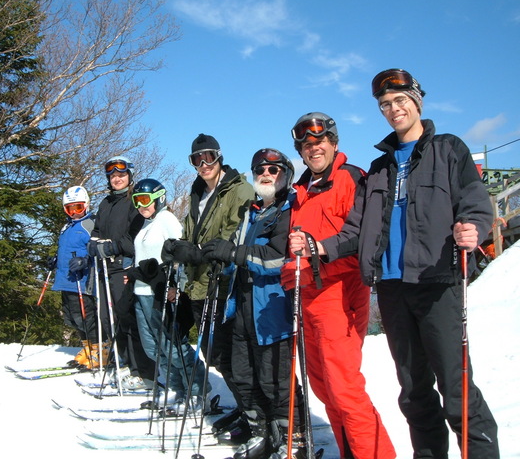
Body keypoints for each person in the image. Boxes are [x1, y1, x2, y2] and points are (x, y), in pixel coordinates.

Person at [289, 69, 500, 458]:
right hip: (391, 287)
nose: (393, 109)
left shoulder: (448, 148)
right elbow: (356, 231)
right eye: (385, 104)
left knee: (456, 389)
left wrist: (474, 227)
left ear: (417, 102)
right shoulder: (381, 168)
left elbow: (474, 199)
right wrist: (320, 247)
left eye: (400, 101)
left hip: (436, 282)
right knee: (415, 391)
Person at [281, 113, 395, 459]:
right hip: (309, 298)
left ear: (334, 143)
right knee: (324, 388)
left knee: (344, 388)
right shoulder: (302, 190)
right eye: (307, 145)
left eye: (320, 143)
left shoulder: (350, 179)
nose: (314, 149)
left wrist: (316, 255)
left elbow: (362, 238)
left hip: (340, 295)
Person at [202, 149, 306, 459]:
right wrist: (212, 257)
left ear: (286, 174)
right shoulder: (252, 213)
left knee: (276, 380)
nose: (267, 174)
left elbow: (279, 258)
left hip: (272, 308)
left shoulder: (289, 210)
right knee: (244, 375)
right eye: (261, 169)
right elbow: (234, 251)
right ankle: (261, 432)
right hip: (242, 304)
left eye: (274, 170)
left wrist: (235, 255)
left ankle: (293, 440)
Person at [163, 133, 255, 415]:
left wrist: (198, 252)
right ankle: (246, 411)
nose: (204, 164)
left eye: (209, 157)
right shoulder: (198, 193)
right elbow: (190, 234)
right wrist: (177, 248)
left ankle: (254, 415)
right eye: (197, 159)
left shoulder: (239, 190)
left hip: (225, 286)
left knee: (231, 356)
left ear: (219, 156)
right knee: (214, 354)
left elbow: (235, 235)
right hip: (198, 286)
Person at [124, 178, 206, 406]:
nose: (141, 205)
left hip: (160, 292)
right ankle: (175, 389)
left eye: (145, 199)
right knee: (153, 348)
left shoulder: (166, 219)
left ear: (159, 198)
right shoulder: (146, 223)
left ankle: (198, 390)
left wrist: (177, 286)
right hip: (141, 292)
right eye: (136, 200)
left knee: (172, 346)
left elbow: (181, 252)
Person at [84, 156, 156, 390]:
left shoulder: (133, 201)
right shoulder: (106, 203)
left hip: (124, 266)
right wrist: (94, 243)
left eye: (121, 175)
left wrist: (114, 246)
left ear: (129, 176)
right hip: (106, 268)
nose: (117, 179)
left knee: (129, 319)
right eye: (113, 176)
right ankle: (124, 361)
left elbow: (136, 234)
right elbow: (96, 230)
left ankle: (143, 371)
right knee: (108, 318)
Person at [50, 186, 109, 369]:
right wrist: (55, 260)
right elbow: (66, 250)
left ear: (86, 206)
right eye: (70, 209)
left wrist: (85, 260)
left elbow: (97, 249)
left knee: (86, 317)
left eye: (78, 208)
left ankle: (101, 351)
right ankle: (87, 348)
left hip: (83, 281)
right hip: (66, 280)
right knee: (73, 317)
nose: (74, 213)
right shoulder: (66, 226)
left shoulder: (90, 224)